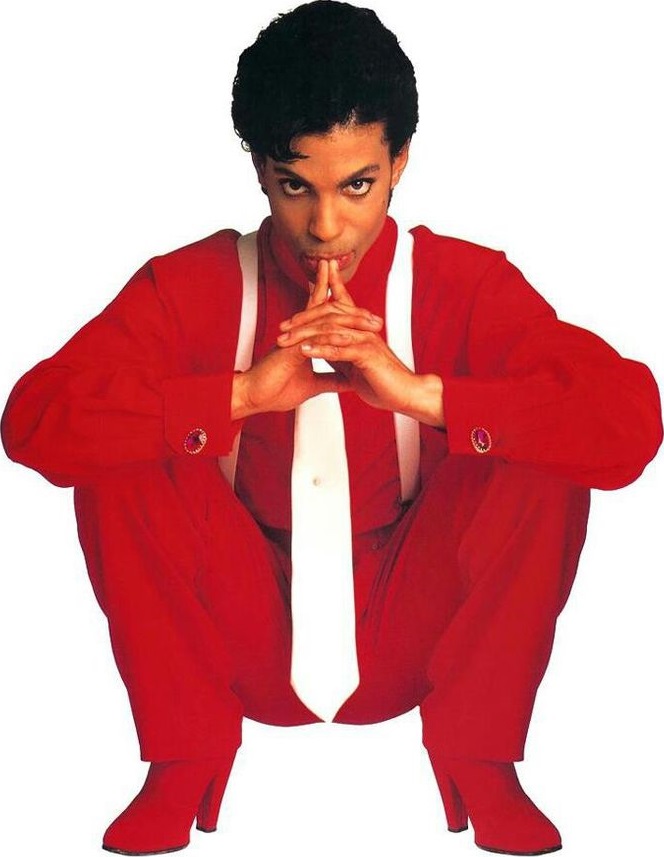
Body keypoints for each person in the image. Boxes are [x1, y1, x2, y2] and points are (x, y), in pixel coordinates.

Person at [2, 1, 661, 855]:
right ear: (259, 169)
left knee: (537, 439)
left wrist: (428, 398)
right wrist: (234, 398)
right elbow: (33, 422)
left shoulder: (465, 283)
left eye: (357, 185)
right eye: (295, 186)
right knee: (123, 437)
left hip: (415, 634)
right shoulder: (189, 284)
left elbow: (629, 425)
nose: (325, 227)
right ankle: (182, 756)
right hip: (240, 639)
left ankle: (482, 756)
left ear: (400, 163)